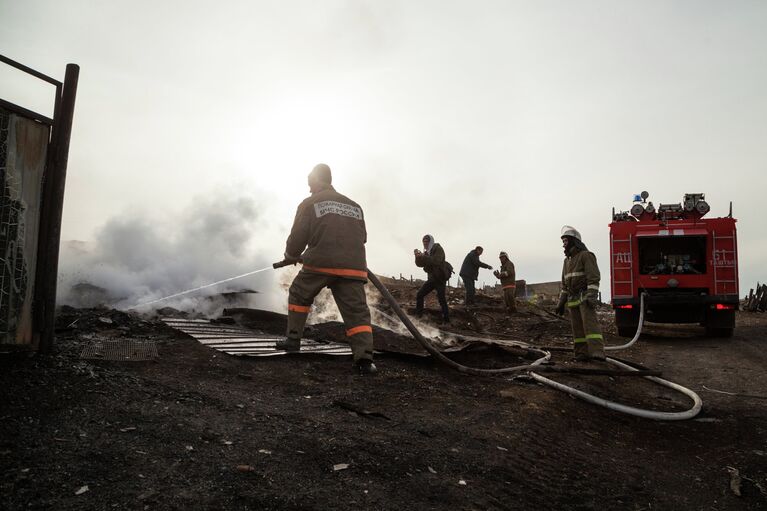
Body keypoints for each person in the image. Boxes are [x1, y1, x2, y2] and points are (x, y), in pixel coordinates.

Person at [276, 163, 376, 375]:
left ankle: (293, 341)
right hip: (354, 267)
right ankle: (365, 359)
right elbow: (363, 237)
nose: (309, 188)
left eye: (310, 183)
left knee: (298, 293)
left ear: (316, 180)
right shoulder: (355, 206)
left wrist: (291, 256)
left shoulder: (310, 203)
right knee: (357, 314)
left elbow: (297, 238)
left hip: (320, 263)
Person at [555, 226, 606, 361]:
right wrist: (561, 302)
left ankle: (597, 353)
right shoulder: (566, 261)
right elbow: (565, 285)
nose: (563, 244)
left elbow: (593, 277)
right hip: (572, 299)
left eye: (565, 241)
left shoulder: (586, 256)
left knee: (591, 327)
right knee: (577, 330)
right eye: (563, 241)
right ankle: (581, 353)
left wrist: (591, 296)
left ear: (574, 241)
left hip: (584, 298)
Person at [414, 234, 451, 323]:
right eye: (424, 242)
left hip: (440, 279)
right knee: (420, 295)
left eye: (427, 242)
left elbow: (436, 261)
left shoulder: (438, 248)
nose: (425, 244)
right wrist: (417, 257)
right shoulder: (426, 252)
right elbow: (420, 264)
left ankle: (447, 321)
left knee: (441, 299)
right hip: (432, 279)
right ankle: (419, 317)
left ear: (431, 241)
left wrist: (423, 256)